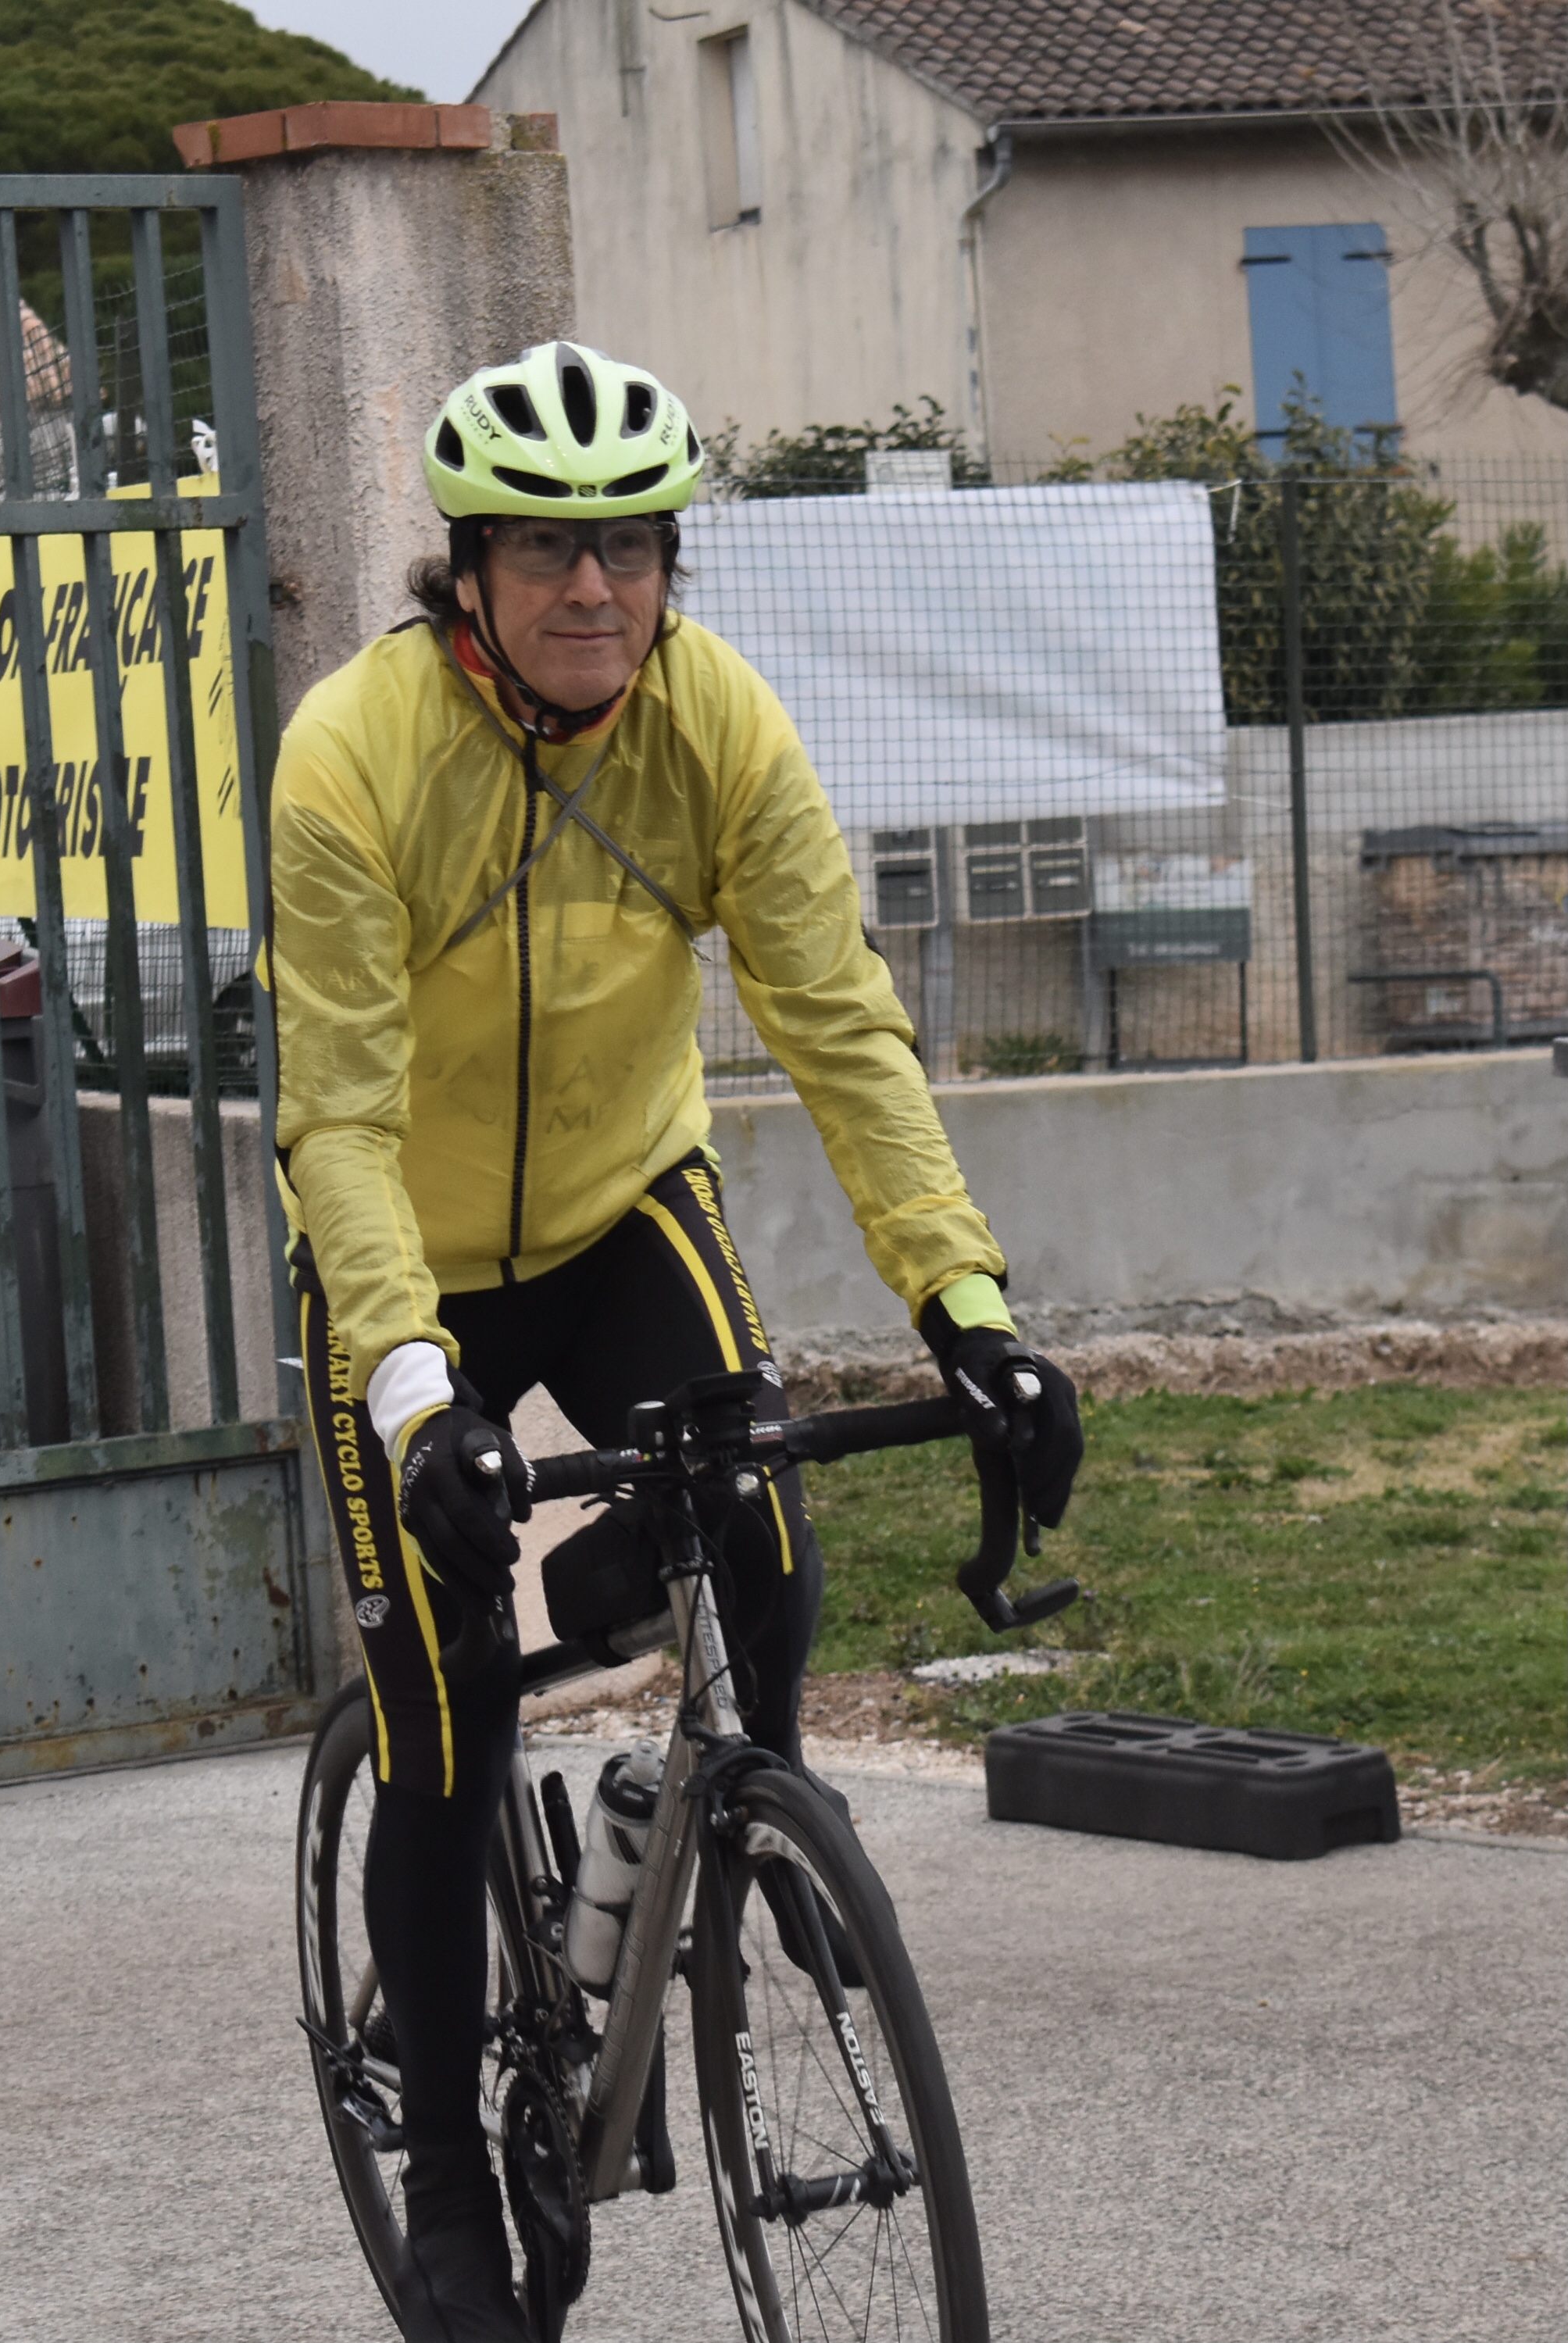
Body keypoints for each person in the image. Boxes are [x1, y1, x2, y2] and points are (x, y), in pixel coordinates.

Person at [266, 343, 1084, 2343]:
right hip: (403, 1264)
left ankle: (739, 1812)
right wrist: (414, 1397)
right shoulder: (354, 753)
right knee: (447, 1712)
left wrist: (967, 1310)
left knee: (764, 1529)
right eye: (548, 549)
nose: (594, 587)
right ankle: (447, 2177)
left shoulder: (714, 720)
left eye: (631, 548)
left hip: (622, 1205)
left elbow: (838, 1024)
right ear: (468, 570)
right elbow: (338, 1119)